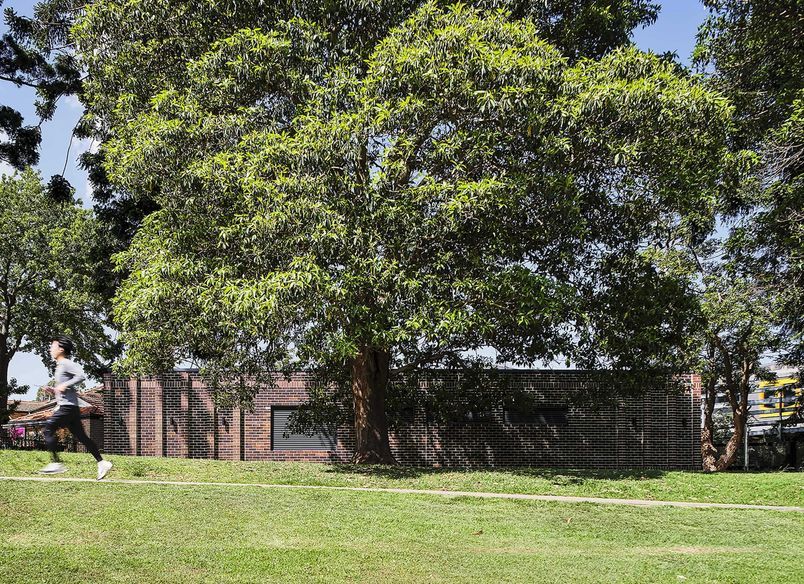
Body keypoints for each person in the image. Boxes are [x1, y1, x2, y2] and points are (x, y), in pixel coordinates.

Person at [38, 336, 113, 480]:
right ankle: (102, 462)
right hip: (70, 407)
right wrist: (54, 390)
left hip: (67, 408)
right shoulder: (60, 366)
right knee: (82, 438)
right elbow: (65, 389)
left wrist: (65, 385)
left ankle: (56, 463)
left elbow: (80, 376)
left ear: (61, 349)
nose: (50, 349)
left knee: (48, 429)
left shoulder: (65, 363)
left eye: (52, 346)